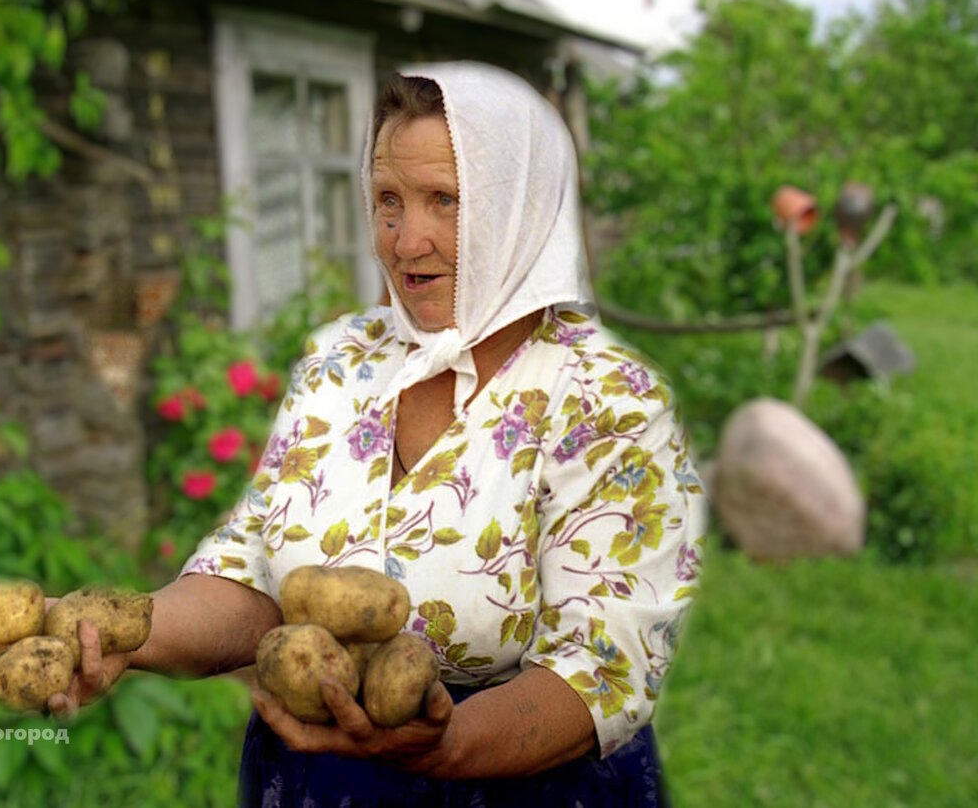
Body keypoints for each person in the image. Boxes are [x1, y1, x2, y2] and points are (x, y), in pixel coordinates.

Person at [49, 62, 707, 806]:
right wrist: (120, 633)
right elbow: (253, 575)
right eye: (388, 200)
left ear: (519, 209)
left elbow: (606, 666)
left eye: (445, 202)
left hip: (524, 784)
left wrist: (444, 744)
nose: (407, 240)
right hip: (316, 777)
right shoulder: (341, 359)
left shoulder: (607, 397)